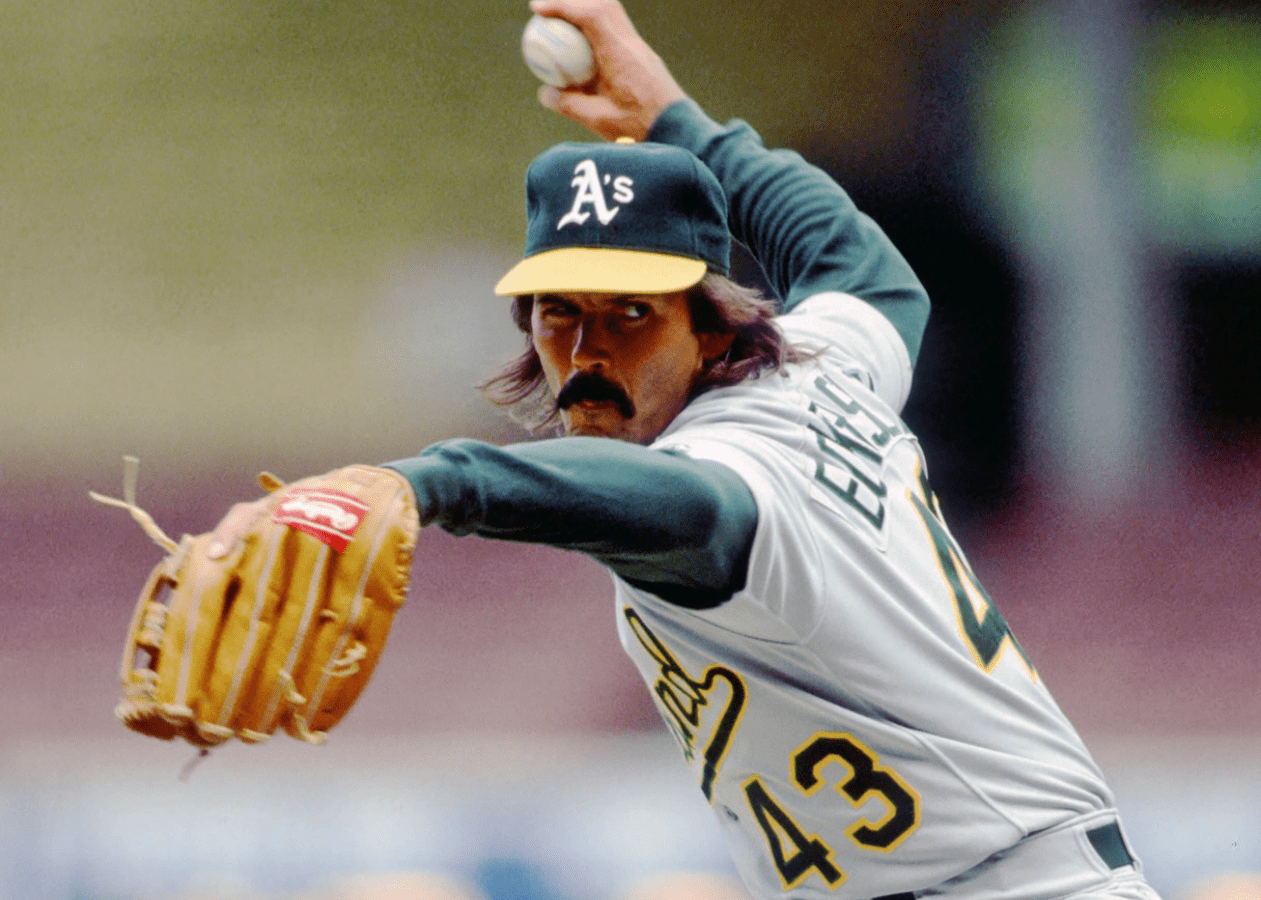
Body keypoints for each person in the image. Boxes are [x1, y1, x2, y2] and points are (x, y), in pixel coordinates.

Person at [212, 0, 1161, 897]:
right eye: (558, 313)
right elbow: (865, 270)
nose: (587, 351)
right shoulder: (818, 369)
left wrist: (419, 484)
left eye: (632, 312)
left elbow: (672, 505)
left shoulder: (731, 475)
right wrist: (675, 116)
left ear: (711, 326)